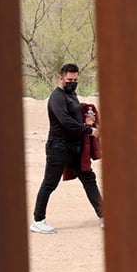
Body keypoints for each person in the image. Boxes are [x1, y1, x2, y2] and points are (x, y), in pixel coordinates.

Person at [30, 63, 102, 234]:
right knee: (49, 183)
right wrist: (89, 130)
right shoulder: (57, 98)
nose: (73, 83)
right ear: (60, 78)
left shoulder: (71, 94)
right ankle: (38, 220)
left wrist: (87, 118)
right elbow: (65, 121)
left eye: (76, 80)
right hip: (58, 148)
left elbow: (75, 116)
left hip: (75, 149)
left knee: (88, 178)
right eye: (69, 80)